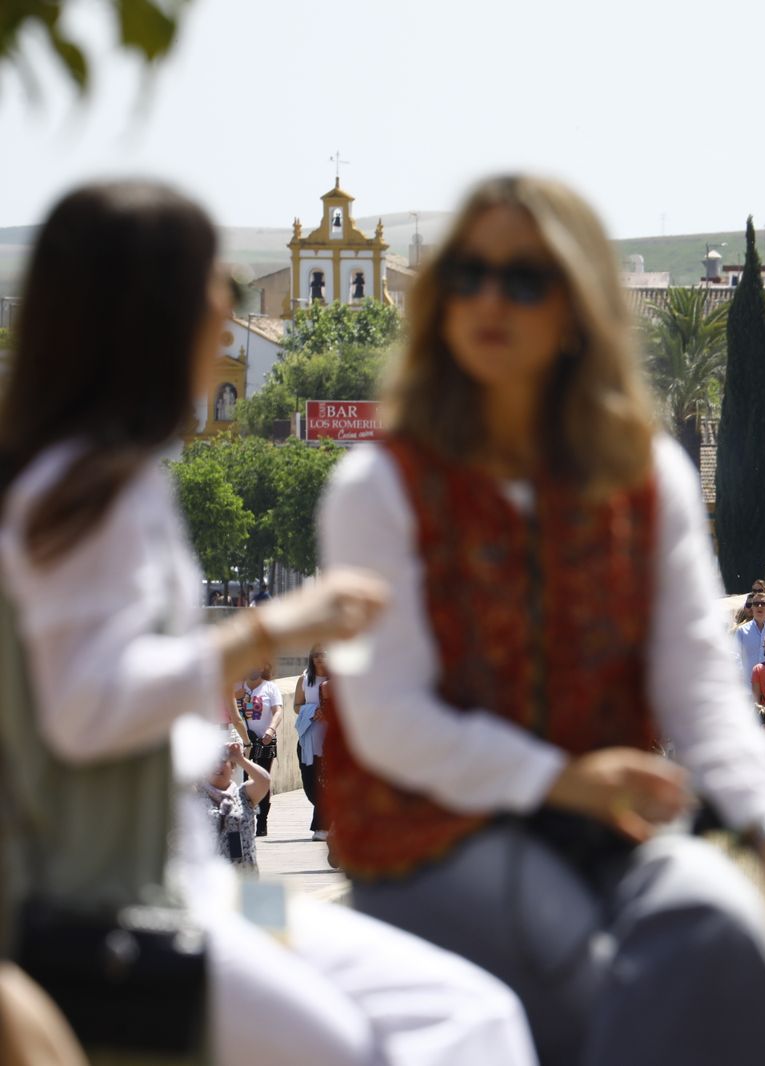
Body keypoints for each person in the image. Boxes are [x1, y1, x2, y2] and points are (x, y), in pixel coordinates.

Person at [318, 174, 765, 1066]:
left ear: (576, 307)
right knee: (575, 953)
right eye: (469, 275)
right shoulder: (380, 492)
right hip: (435, 841)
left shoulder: (645, 482)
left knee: (718, 922)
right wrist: (567, 781)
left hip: (606, 836)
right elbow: (390, 721)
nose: (491, 299)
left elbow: (697, 682)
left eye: (523, 279)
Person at [0, 181, 533, 1066]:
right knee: (389, 1040)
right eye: (214, 295)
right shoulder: (74, 496)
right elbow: (85, 708)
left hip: (213, 886)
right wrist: (271, 627)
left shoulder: (101, 478)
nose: (226, 320)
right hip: (133, 913)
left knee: (467, 1011)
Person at [198, 736, 273, 870]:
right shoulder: (195, 795)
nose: (217, 766)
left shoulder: (243, 794)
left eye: (222, 761)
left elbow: (264, 781)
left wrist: (240, 759)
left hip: (243, 876)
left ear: (232, 768)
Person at [235, 661, 282, 836]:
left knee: (263, 779)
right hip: (242, 741)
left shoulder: (270, 688)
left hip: (264, 740)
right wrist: (235, 696)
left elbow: (278, 711)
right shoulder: (236, 686)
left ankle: (262, 822)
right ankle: (247, 820)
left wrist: (271, 730)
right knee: (243, 780)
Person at [293, 645, 332, 841]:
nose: (318, 658)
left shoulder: (338, 680)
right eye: (315, 655)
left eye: (322, 654)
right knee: (310, 785)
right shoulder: (304, 679)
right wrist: (311, 711)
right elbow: (296, 706)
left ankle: (322, 827)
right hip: (307, 739)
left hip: (330, 741)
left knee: (327, 785)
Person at [732, 590, 765, 676]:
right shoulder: (741, 630)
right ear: (752, 608)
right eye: (756, 604)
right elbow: (735, 655)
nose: (759, 606)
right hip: (748, 683)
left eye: (764, 603)